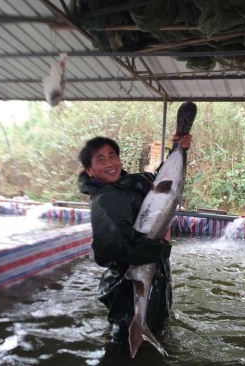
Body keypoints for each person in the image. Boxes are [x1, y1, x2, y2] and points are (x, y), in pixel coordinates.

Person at [78, 134, 192, 343]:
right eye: (101, 159)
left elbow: (162, 181)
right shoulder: (104, 201)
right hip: (127, 287)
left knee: (156, 327)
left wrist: (178, 150)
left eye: (112, 156)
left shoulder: (131, 183)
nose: (110, 163)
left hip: (153, 274)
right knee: (125, 342)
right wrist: (162, 245)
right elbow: (113, 250)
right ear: (89, 170)